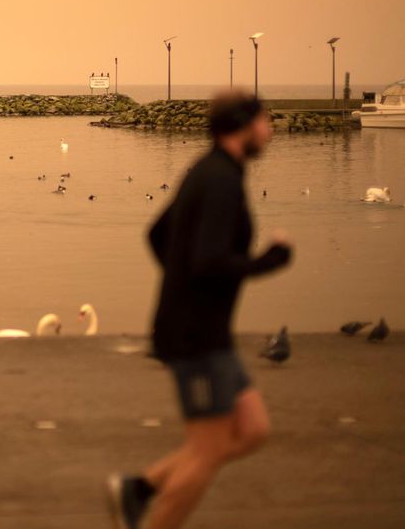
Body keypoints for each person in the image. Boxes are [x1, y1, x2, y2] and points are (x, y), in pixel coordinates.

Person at [107, 92, 293, 529]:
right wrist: (271, 259)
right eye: (265, 122)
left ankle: (139, 489)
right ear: (242, 126)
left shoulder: (210, 169)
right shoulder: (221, 180)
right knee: (207, 452)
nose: (270, 130)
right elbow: (209, 261)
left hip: (205, 331)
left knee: (252, 431)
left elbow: (157, 235)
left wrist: (178, 287)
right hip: (196, 338)